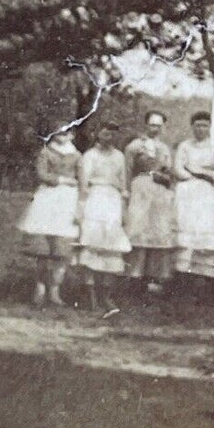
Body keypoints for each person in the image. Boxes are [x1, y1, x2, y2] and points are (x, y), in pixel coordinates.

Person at [17, 127, 81, 307]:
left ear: (72, 135)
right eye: (59, 132)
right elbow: (41, 174)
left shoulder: (76, 155)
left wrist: (80, 194)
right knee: (42, 250)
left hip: (68, 200)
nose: (63, 136)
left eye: (67, 133)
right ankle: (40, 287)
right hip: (47, 198)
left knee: (63, 249)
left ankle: (55, 289)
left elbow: (82, 177)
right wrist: (62, 180)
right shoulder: (46, 152)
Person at [76, 120, 130, 313]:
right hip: (95, 198)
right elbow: (84, 184)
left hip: (113, 201)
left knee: (111, 246)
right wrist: (82, 207)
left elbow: (123, 184)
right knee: (93, 244)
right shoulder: (89, 156)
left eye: (114, 134)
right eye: (106, 133)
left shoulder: (119, 156)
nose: (110, 137)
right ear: (97, 134)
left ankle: (105, 295)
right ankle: (89, 295)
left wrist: (123, 208)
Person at [173, 111, 214, 289]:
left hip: (206, 194)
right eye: (198, 125)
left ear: (210, 127)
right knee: (186, 227)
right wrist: (194, 175)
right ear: (192, 126)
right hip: (188, 191)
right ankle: (181, 274)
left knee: (204, 228)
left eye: (204, 125)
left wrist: (202, 172)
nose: (201, 129)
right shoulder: (185, 146)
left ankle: (201, 275)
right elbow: (178, 168)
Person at [124, 111, 176, 293]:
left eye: (159, 125)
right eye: (152, 125)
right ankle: (134, 278)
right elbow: (127, 171)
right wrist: (127, 192)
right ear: (146, 125)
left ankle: (151, 279)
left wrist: (165, 177)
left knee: (157, 233)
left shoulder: (164, 148)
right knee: (138, 231)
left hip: (159, 192)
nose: (155, 129)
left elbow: (170, 173)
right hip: (140, 189)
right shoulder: (135, 146)